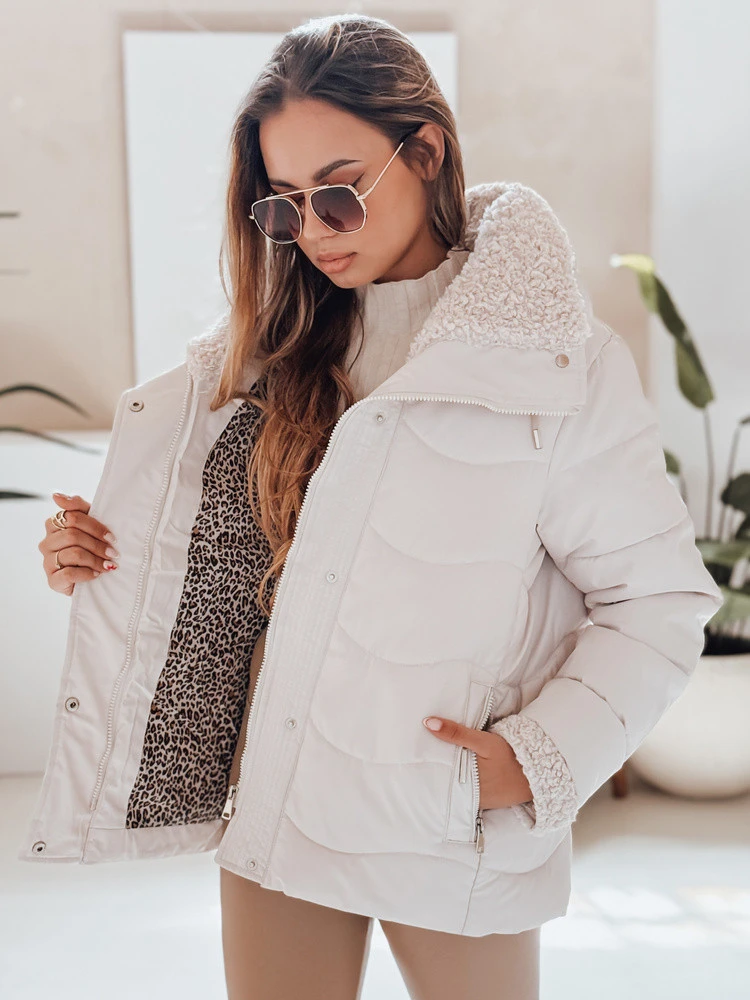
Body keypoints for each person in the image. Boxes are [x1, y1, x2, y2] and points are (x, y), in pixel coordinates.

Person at [27, 13, 723, 1000]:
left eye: (339, 193)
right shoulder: (266, 360)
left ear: (425, 150)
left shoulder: (557, 366)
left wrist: (535, 762)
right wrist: (93, 556)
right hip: (278, 816)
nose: (313, 232)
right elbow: (222, 576)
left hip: (448, 830)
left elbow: (659, 601)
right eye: (284, 208)